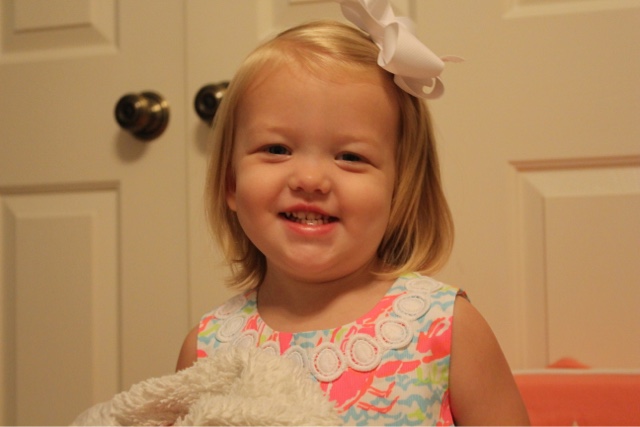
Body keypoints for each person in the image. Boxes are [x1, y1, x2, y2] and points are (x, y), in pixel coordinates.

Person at [177, 2, 530, 425]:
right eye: (277, 149)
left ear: (401, 190)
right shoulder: (207, 348)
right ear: (231, 183)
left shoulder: (445, 328)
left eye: (350, 157)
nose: (310, 179)